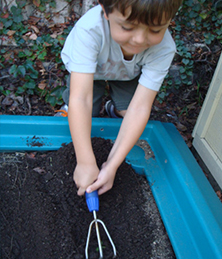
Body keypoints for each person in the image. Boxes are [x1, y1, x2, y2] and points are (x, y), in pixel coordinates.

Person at [61, 0, 183, 196]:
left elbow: (140, 108)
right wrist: (85, 162)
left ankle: (113, 108)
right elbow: (81, 98)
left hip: (127, 73)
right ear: (105, 12)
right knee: (84, 114)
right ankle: (68, 109)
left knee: (126, 113)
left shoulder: (164, 49)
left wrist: (112, 165)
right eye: (127, 27)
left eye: (155, 30)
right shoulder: (89, 30)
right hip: (88, 72)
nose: (139, 40)